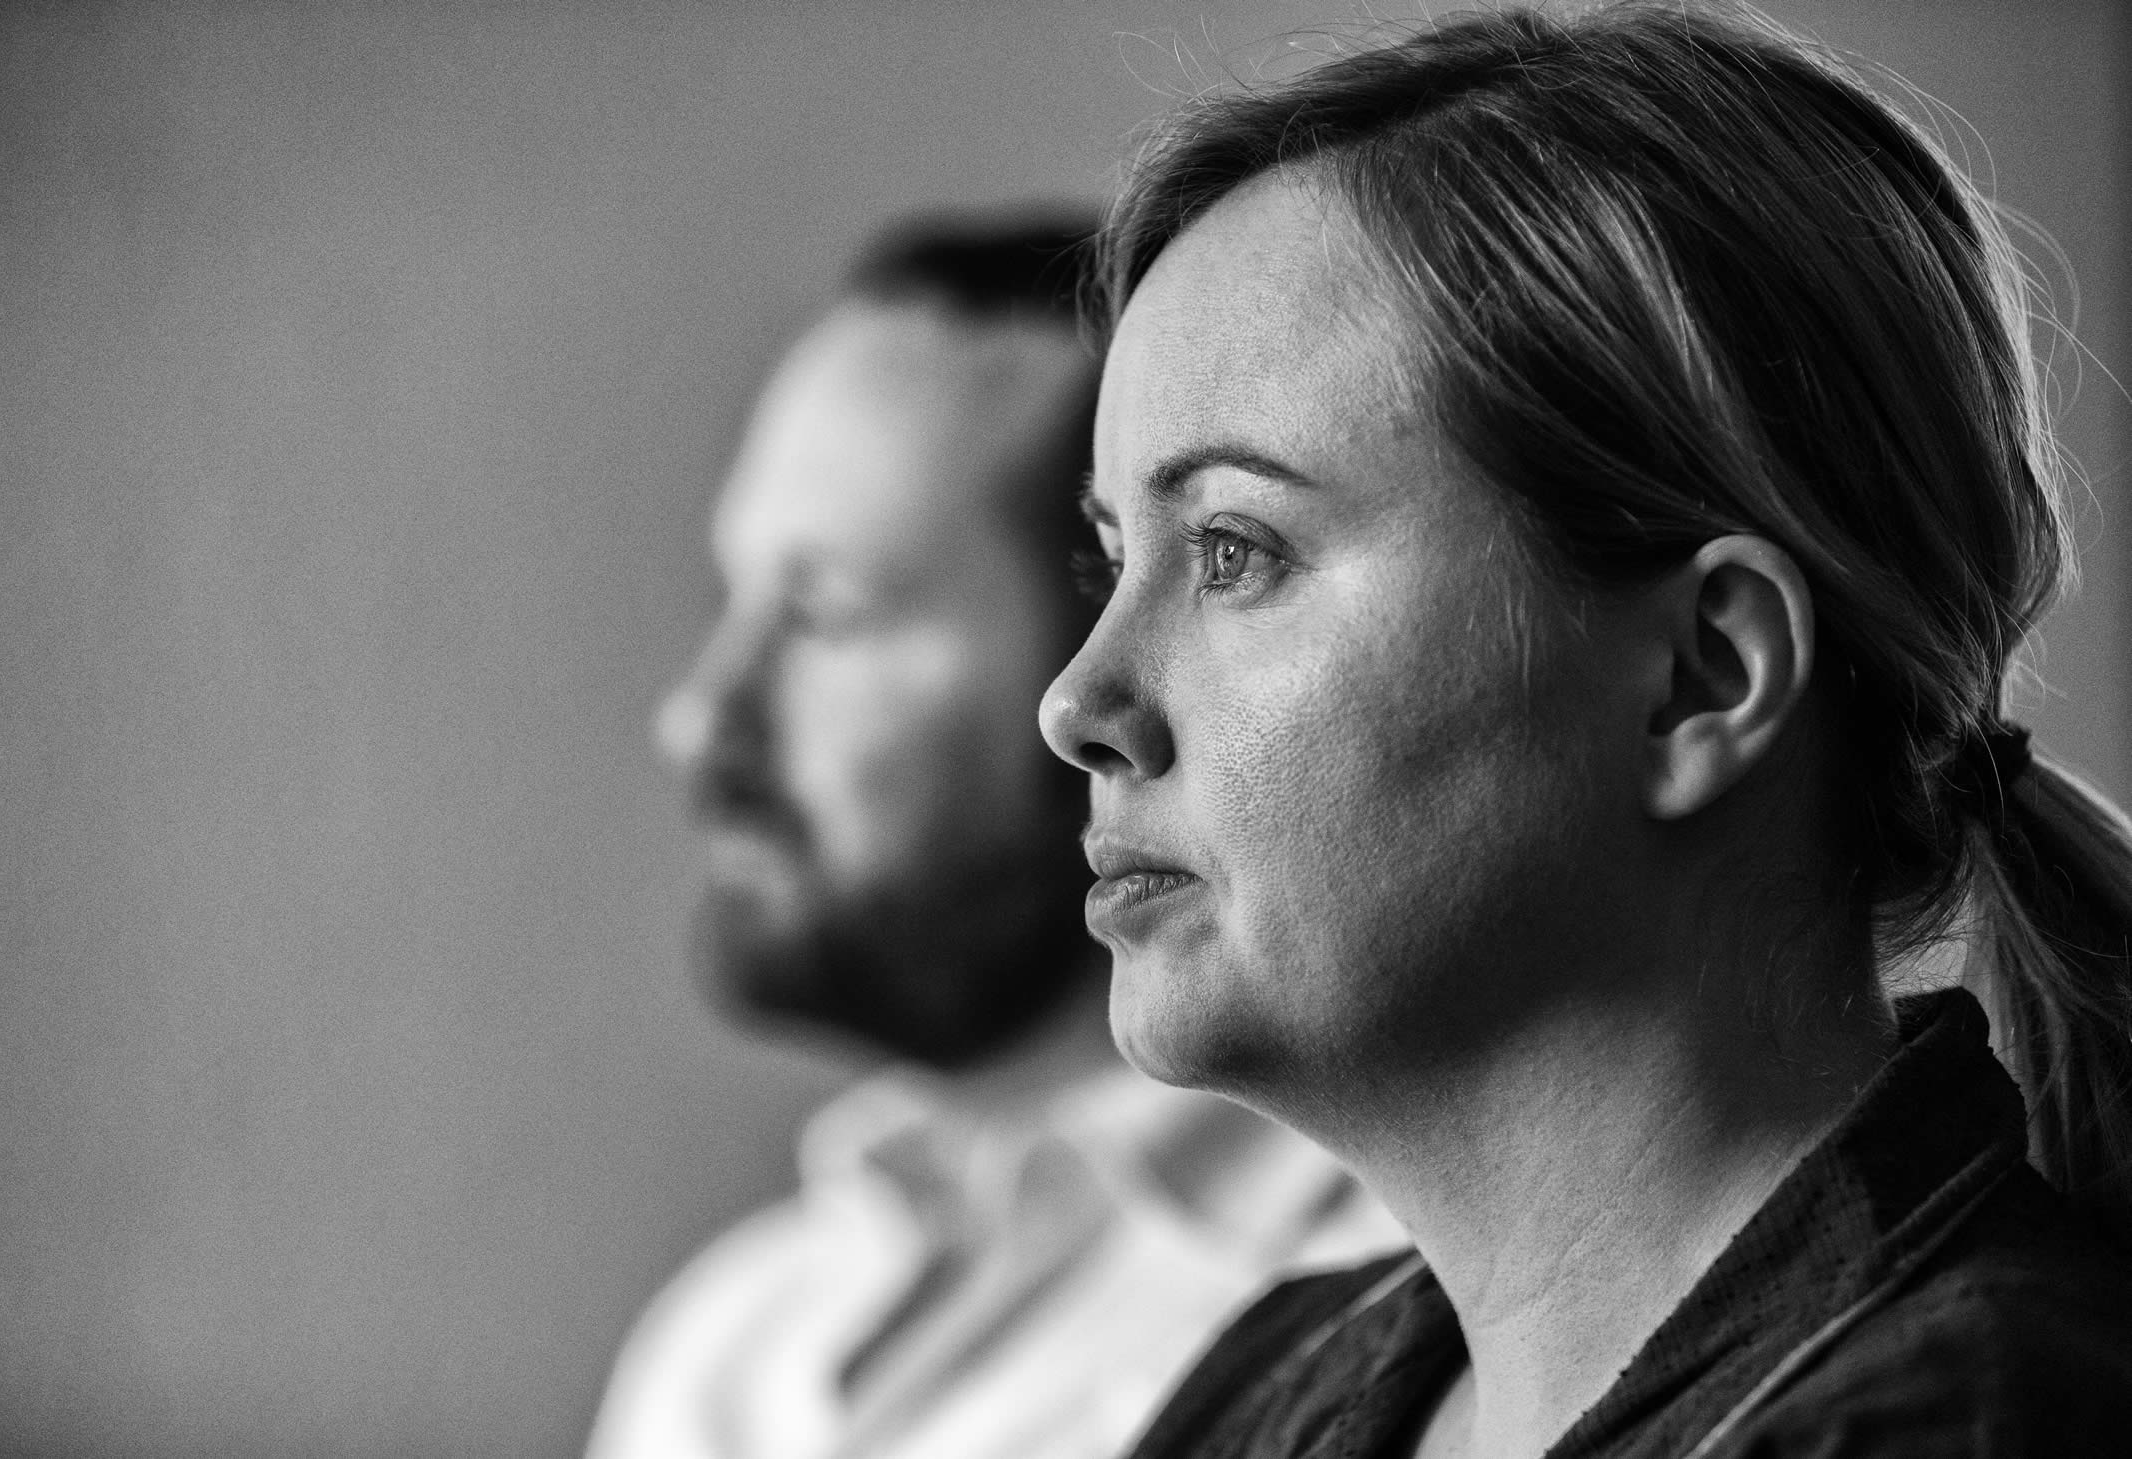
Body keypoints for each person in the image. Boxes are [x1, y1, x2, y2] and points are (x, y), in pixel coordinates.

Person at [1037, 4, 2132, 1455]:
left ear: (1701, 677)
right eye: (1115, 559)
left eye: (1235, 550)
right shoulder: (1267, 1384)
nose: (1078, 705)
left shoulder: (1974, 1419)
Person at [587, 213, 1402, 1459]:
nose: (700, 719)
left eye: (823, 611)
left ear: (1112, 654)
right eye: (733, 594)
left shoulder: (1408, 1336)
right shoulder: (727, 1344)